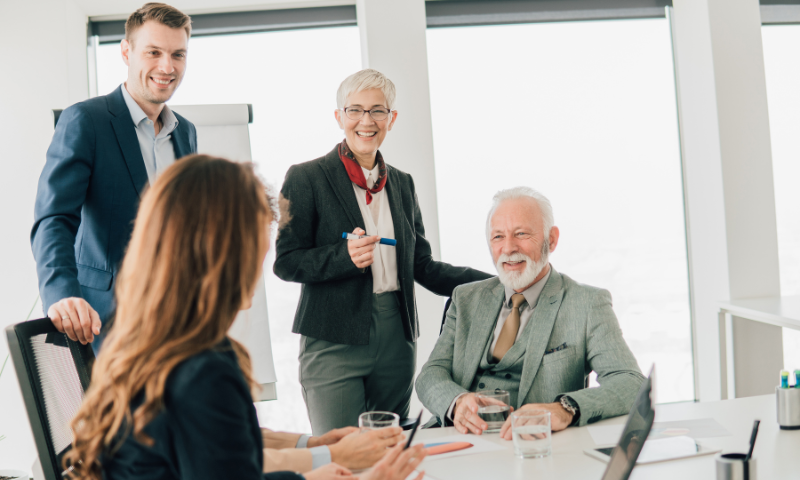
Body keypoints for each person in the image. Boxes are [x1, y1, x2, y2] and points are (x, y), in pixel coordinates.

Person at [63, 155, 427, 480]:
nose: (262, 264)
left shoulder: (143, 344)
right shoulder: (204, 370)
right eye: (257, 245)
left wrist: (314, 446)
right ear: (221, 252)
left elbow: (226, 449)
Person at [274, 69, 493, 434]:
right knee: (342, 454)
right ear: (339, 117)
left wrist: (495, 284)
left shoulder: (403, 184)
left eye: (377, 111)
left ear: (391, 119)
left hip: (397, 336)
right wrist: (342, 257)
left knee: (391, 450)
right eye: (355, 110)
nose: (366, 121)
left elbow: (422, 266)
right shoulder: (306, 177)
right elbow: (286, 261)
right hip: (334, 337)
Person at [31, 3, 197, 351]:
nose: (167, 67)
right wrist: (61, 295)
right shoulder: (86, 121)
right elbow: (54, 218)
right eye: (154, 52)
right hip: (105, 325)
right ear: (127, 52)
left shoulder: (186, 133)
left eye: (177, 54)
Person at [415, 186, 645, 437]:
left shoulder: (588, 303)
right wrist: (457, 401)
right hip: (455, 440)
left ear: (552, 239)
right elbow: (430, 374)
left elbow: (631, 382)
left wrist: (564, 409)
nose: (509, 248)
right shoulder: (466, 298)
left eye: (521, 234)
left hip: (532, 448)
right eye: (498, 237)